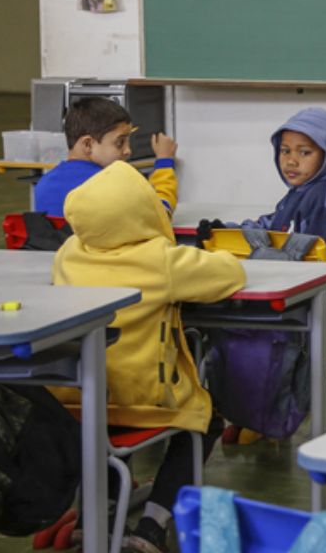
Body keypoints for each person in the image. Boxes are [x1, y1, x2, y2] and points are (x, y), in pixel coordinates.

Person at [51, 162, 246, 553]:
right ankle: (153, 525)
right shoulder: (160, 260)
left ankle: (96, 519)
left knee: (97, 430)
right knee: (204, 424)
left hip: (73, 399)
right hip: (145, 400)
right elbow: (231, 274)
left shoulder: (69, 253)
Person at [243, 107, 326, 327]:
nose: (291, 161)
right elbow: (275, 226)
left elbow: (315, 265)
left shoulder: (325, 200)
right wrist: (230, 229)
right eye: (285, 150)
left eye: (304, 152)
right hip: (297, 301)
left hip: (314, 310)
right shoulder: (300, 192)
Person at [35, 96, 178, 217]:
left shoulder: (43, 185)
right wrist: (164, 162)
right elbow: (161, 217)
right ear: (88, 145)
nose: (128, 150)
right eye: (120, 142)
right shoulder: (117, 185)